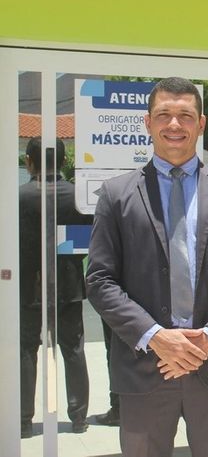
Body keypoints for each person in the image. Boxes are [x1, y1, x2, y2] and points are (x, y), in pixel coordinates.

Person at [86, 77, 208, 457]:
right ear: (147, 123)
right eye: (163, 115)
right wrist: (155, 336)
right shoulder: (116, 195)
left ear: (201, 124)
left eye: (185, 115)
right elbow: (101, 280)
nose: (174, 124)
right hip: (145, 368)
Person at [19, 137, 92, 438]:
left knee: (26, 350)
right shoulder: (77, 196)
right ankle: (79, 418)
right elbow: (86, 243)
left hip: (28, 287)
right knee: (73, 349)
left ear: (29, 162)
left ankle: (23, 420)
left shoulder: (18, 197)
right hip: (69, 285)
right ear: (63, 162)